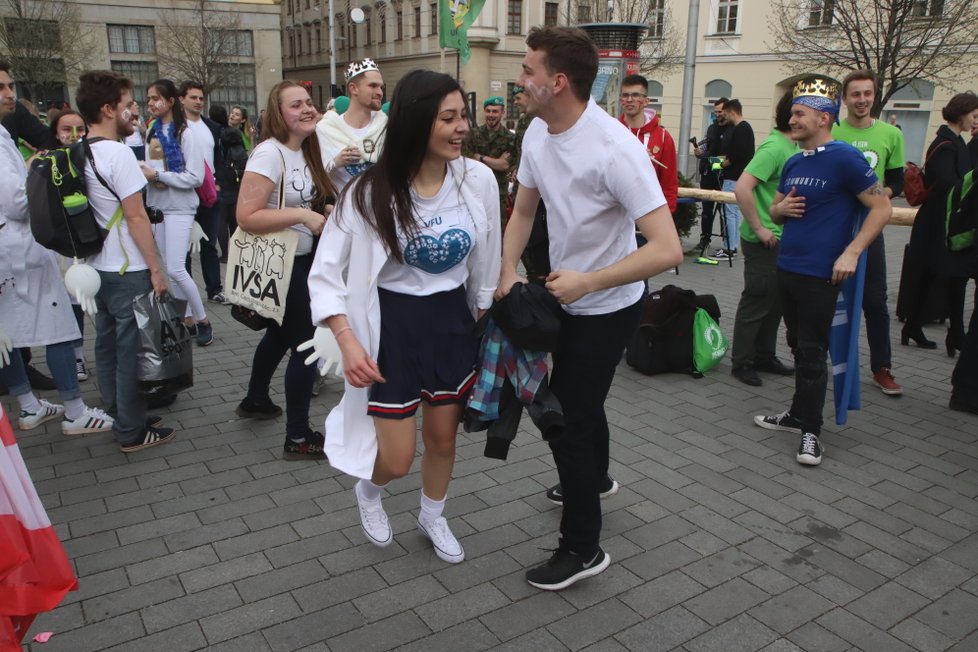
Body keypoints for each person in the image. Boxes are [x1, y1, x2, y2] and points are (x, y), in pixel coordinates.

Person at [498, 27, 682, 590]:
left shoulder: (615, 149)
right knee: (582, 401)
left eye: (528, 70)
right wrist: (506, 270)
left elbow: (668, 249)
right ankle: (595, 479)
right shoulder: (536, 130)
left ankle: (583, 548)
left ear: (558, 81)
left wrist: (589, 281)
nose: (519, 80)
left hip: (610, 303)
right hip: (565, 296)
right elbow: (524, 210)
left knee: (568, 420)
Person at [307, 69, 500, 563]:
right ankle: (369, 493)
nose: (462, 127)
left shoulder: (476, 180)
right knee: (394, 458)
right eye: (449, 118)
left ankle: (433, 515)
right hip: (390, 327)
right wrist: (349, 342)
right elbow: (325, 276)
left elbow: (489, 255)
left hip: (452, 323)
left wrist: (483, 309)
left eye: (464, 116)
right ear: (416, 122)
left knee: (442, 438)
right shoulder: (368, 192)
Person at [754, 76, 891, 467]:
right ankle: (797, 413)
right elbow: (775, 207)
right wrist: (778, 212)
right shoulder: (796, 159)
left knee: (813, 351)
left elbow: (881, 208)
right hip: (788, 266)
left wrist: (852, 252)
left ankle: (812, 432)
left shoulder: (846, 158)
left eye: (799, 114)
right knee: (797, 344)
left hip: (820, 273)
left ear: (824, 118)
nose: (792, 120)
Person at [0, 61, 115, 439]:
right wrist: (38, 169)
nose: (9, 93)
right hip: (20, 250)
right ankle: (74, 410)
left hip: (13, 251)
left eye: (10, 84)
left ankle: (30, 406)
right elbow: (17, 203)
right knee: (59, 330)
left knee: (10, 334)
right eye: (1, 87)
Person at [72, 69, 176, 452]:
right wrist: (155, 268)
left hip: (97, 268)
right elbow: (135, 217)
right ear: (107, 109)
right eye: (128, 105)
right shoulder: (117, 153)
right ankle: (131, 431)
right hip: (127, 267)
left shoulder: (81, 149)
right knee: (133, 349)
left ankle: (121, 410)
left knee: (108, 344)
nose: (134, 111)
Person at [234, 80, 332, 460]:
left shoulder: (304, 150)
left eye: (309, 102)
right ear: (278, 114)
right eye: (296, 105)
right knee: (306, 346)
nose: (307, 109)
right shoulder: (268, 154)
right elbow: (246, 215)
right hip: (283, 263)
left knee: (277, 334)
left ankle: (256, 399)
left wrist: (320, 210)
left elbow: (303, 199)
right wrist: (303, 215)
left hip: (300, 260)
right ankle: (298, 435)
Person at [832, 70, 906, 396]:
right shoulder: (831, 131)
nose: (861, 100)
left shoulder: (891, 134)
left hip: (869, 230)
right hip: (833, 229)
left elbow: (898, 182)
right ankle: (818, 359)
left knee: (875, 302)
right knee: (826, 299)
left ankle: (882, 369)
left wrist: (877, 197)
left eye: (867, 94)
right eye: (855, 94)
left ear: (874, 96)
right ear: (845, 98)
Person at [903, 93, 978, 359]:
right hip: (939, 222)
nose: (975, 120)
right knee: (951, 277)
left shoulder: (955, 141)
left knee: (932, 276)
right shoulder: (947, 144)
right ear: (962, 113)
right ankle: (954, 334)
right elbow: (948, 182)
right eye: (974, 115)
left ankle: (913, 326)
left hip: (941, 221)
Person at [730, 91, 797, 386]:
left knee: (775, 302)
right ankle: (742, 361)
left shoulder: (791, 147)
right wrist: (758, 228)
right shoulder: (775, 147)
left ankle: (764, 355)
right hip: (764, 241)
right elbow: (743, 188)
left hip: (782, 239)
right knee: (757, 301)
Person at [142, 78, 214, 346]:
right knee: (170, 270)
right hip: (157, 208)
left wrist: (158, 174)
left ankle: (203, 319)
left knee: (176, 268)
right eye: (148, 98)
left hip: (181, 209)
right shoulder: (150, 131)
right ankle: (186, 320)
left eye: (155, 98)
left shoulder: (186, 134)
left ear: (171, 101)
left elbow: (194, 177)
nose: (150, 103)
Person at [180, 81, 227, 305]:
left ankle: (214, 288)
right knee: (186, 246)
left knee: (209, 243)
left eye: (201, 98)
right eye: (193, 97)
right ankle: (187, 294)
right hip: (185, 192)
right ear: (182, 99)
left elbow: (218, 156)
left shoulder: (211, 127)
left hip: (209, 192)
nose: (198, 102)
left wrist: (218, 183)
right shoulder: (177, 127)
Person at [316, 58, 387, 194]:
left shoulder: (386, 125)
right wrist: (336, 162)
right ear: (354, 88)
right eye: (373, 86)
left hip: (383, 209)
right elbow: (313, 177)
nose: (380, 92)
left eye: (381, 87)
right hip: (345, 210)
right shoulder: (326, 130)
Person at [618, 74, 678, 214]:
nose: (629, 100)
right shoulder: (612, 132)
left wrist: (666, 217)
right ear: (621, 100)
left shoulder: (663, 137)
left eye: (635, 95)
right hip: (617, 216)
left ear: (646, 101)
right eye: (625, 95)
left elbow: (669, 184)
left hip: (649, 215)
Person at [712, 99, 754, 260]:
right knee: (734, 213)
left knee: (729, 213)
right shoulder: (746, 128)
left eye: (725, 113)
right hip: (739, 176)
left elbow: (736, 155)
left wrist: (720, 164)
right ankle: (733, 246)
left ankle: (729, 248)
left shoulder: (740, 129)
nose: (724, 116)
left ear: (732, 112)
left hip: (732, 177)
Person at [463, 96, 515, 221]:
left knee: (498, 235)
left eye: (495, 111)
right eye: (488, 111)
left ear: (503, 113)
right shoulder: (472, 135)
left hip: (499, 194)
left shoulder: (510, 138)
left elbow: (505, 166)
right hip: (475, 193)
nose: (491, 115)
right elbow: (465, 161)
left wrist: (479, 157)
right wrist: (495, 161)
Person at [209, 104, 246, 263]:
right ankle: (238, 252)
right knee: (233, 219)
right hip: (236, 178)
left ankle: (225, 254)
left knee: (221, 219)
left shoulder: (215, 134)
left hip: (222, 178)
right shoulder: (235, 133)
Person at [693, 98, 730, 253]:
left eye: (720, 111)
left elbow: (731, 156)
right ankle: (705, 238)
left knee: (724, 210)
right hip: (707, 174)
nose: (717, 114)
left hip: (723, 175)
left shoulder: (733, 129)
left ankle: (726, 242)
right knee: (707, 210)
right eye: (715, 111)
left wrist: (712, 161)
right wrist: (699, 153)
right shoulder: (712, 128)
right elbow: (707, 148)